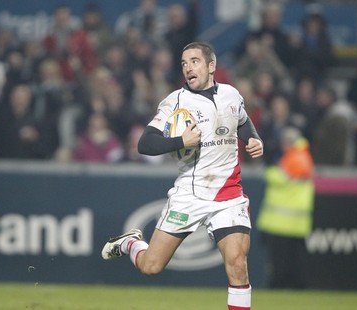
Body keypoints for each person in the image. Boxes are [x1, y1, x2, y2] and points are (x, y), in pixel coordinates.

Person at [102, 42, 264, 310]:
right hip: (190, 195)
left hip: (229, 195)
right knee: (151, 267)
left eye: (194, 61)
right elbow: (145, 143)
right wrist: (180, 141)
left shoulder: (232, 95)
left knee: (237, 263)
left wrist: (254, 140)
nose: (188, 67)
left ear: (212, 66)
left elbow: (243, 122)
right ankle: (131, 243)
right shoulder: (176, 101)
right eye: (184, 63)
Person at [256, 126, 314, 288]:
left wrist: (268, 171)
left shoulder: (297, 157)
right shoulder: (300, 155)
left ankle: (284, 286)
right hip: (292, 222)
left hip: (284, 222)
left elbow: (281, 178)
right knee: (293, 259)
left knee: (283, 261)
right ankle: (293, 286)